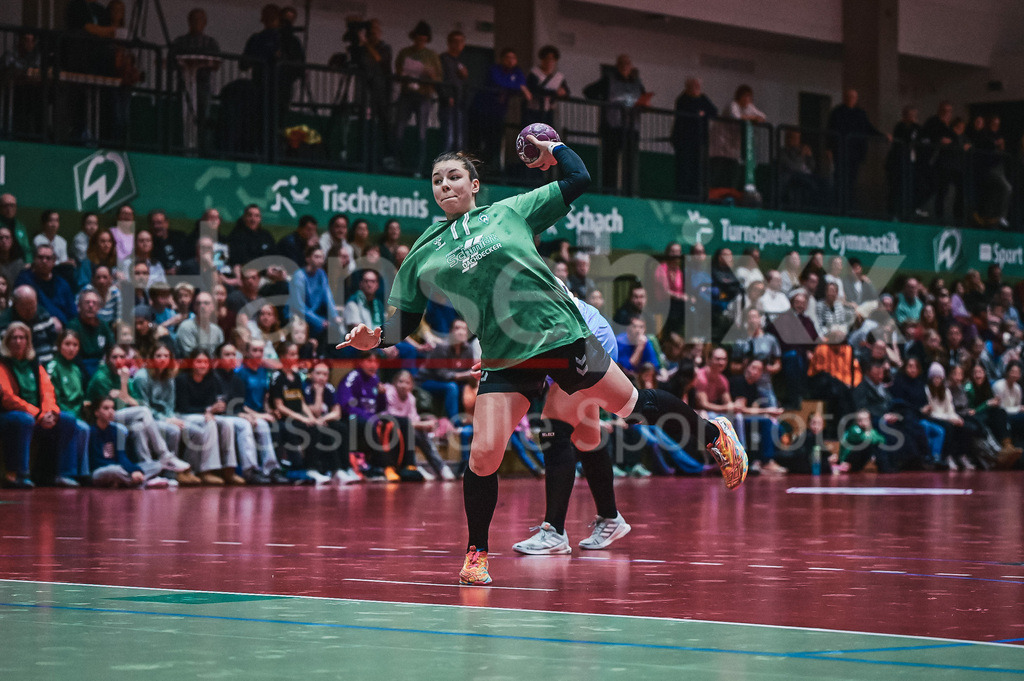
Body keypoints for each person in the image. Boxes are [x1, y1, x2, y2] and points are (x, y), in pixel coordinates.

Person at [338, 139, 747, 585]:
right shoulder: (424, 249)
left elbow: (578, 179)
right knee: (483, 456)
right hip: (503, 353)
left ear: (475, 185)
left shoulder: (510, 211)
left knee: (631, 406)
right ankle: (477, 551)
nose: (444, 185)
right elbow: (405, 320)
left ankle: (713, 435)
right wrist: (376, 338)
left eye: (454, 176)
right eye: (437, 180)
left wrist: (553, 147)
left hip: (559, 333)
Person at [0, 322, 79, 488]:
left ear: (28, 341)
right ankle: (20, 474)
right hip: (9, 414)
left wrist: (49, 412)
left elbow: (47, 391)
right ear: (7, 341)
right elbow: (7, 397)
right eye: (14, 338)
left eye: (22, 338)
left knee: (68, 420)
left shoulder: (35, 364)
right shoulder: (2, 364)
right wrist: (36, 414)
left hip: (38, 414)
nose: (18, 341)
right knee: (24, 420)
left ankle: (61, 473)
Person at [175, 348, 242, 485]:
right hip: (185, 415)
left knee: (227, 423)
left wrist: (217, 407)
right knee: (210, 423)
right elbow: (184, 407)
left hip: (204, 415)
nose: (202, 365)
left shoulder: (211, 379)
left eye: (205, 362)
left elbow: (212, 403)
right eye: (198, 362)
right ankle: (206, 470)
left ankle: (229, 469)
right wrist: (208, 410)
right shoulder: (182, 379)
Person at [584, 54, 647, 193]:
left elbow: (644, 99)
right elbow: (589, 92)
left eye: (628, 64)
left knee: (630, 163)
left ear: (631, 67)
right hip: (612, 127)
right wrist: (604, 103)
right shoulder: (609, 80)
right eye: (622, 64)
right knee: (610, 162)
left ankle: (629, 192)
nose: (625, 67)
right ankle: (609, 191)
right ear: (618, 66)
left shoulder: (637, 83)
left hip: (631, 128)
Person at [826, 88, 888, 211]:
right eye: (849, 97)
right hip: (840, 152)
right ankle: (838, 205)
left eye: (854, 97)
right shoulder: (837, 113)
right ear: (845, 98)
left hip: (855, 154)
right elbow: (830, 131)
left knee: (851, 180)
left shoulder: (860, 114)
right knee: (840, 179)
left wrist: (883, 136)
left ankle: (849, 206)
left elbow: (868, 128)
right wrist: (829, 149)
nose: (851, 99)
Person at [393, 21, 441, 175]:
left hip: (423, 96)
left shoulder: (431, 56)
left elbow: (438, 78)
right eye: (418, 37)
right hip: (407, 94)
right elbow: (398, 70)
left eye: (423, 38)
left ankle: (418, 168)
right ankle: (397, 162)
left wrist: (428, 73)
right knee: (399, 128)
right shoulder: (405, 52)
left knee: (422, 131)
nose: (420, 40)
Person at [671, 77, 717, 199]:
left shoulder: (703, 98)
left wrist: (703, 114)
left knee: (698, 169)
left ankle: (696, 195)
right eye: (694, 86)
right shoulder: (682, 99)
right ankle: (683, 195)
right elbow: (689, 113)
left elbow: (714, 111)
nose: (697, 89)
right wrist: (699, 114)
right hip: (684, 140)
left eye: (698, 86)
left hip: (699, 141)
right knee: (685, 169)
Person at [289, 244, 343, 346]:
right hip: (298, 315)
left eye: (321, 257)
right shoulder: (299, 276)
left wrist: (335, 316)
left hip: (314, 314)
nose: (320, 260)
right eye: (316, 257)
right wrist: (319, 320)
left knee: (335, 327)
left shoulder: (321, 274)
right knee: (321, 327)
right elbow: (299, 306)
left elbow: (328, 296)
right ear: (308, 259)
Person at [16, 244, 75, 328]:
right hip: (35, 326)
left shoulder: (62, 283)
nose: (44, 261)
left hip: (63, 328)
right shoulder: (24, 280)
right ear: (34, 259)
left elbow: (72, 312)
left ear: (54, 261)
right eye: (40, 257)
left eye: (48, 258)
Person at [438, 30, 469, 152]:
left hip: (460, 104)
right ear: (449, 43)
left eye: (461, 41)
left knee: (459, 140)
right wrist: (447, 96)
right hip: (448, 103)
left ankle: (456, 169)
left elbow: (465, 82)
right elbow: (440, 79)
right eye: (455, 42)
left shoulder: (461, 61)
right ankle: (442, 168)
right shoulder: (443, 59)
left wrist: (465, 75)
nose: (458, 45)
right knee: (448, 138)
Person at [524, 45, 568, 126]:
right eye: (546, 58)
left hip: (550, 110)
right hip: (534, 109)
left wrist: (563, 92)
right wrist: (554, 93)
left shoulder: (559, 76)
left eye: (552, 59)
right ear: (542, 59)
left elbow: (566, 91)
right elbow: (534, 89)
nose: (549, 61)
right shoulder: (535, 73)